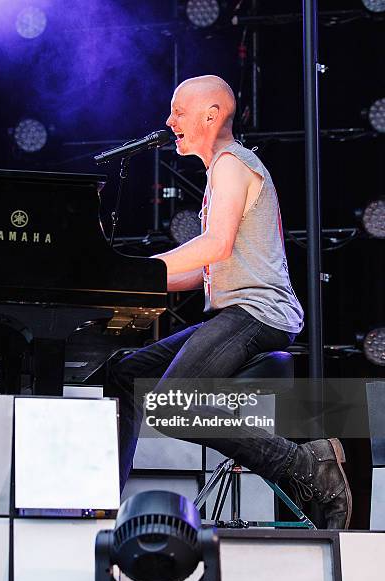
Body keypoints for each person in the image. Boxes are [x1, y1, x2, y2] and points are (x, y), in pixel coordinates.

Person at [108, 75, 352, 529]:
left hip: (260, 313)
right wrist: (122, 281)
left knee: (171, 403)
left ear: (211, 114)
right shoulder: (221, 172)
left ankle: (304, 466)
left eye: (178, 111)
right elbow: (202, 270)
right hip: (237, 312)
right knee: (126, 371)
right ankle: (104, 495)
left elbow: (215, 245)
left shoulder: (231, 165)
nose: (169, 121)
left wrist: (144, 267)